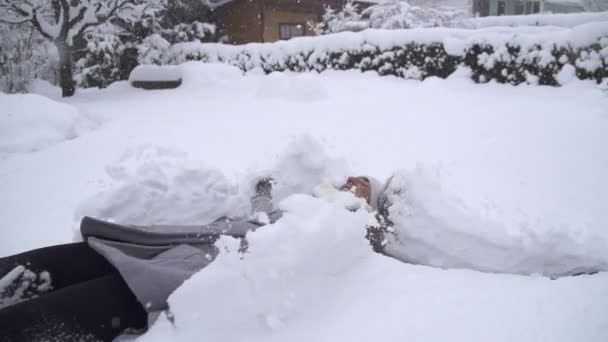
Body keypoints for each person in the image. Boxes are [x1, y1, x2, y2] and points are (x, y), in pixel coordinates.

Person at [0, 176, 392, 342]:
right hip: (180, 245)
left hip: (200, 274)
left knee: (111, 292)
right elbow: (259, 217)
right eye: (349, 179)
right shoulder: (304, 205)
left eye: (361, 186)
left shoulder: (345, 235)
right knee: (80, 257)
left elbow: (342, 257)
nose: (349, 184)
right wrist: (262, 194)